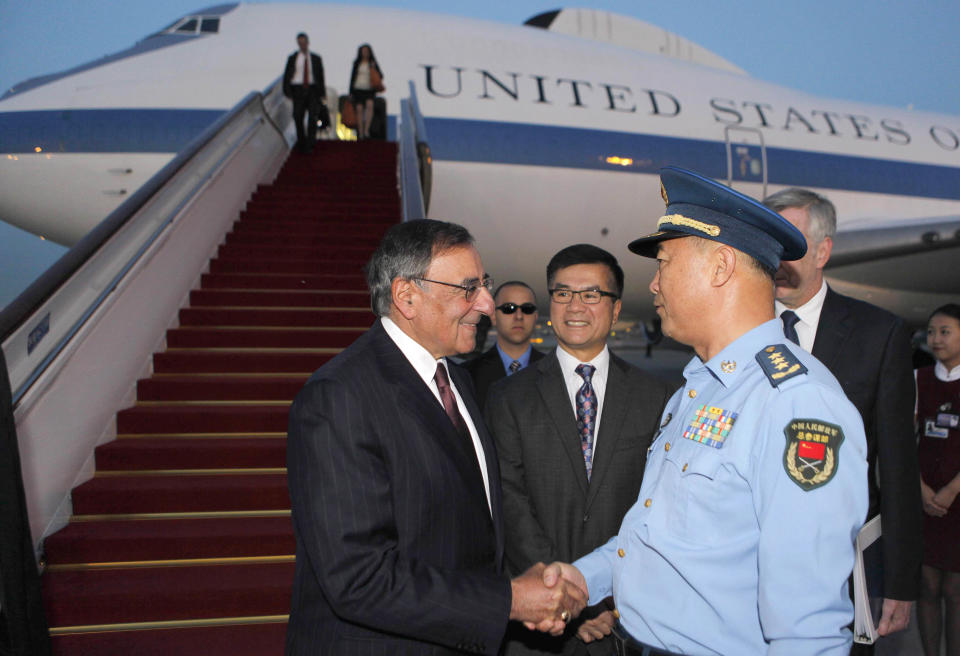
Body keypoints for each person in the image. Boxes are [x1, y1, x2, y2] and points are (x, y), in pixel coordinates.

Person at [556, 167, 869, 655]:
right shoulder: (698, 387)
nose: (654, 284)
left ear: (721, 267)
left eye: (664, 263)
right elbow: (661, 537)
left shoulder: (795, 404)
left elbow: (807, 629)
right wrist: (578, 578)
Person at [285, 219, 586, 655]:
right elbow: (359, 579)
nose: (486, 304)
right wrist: (511, 601)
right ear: (407, 296)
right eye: (468, 288)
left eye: (485, 284)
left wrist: (528, 588)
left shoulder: (456, 379)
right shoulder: (338, 398)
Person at [487, 245, 673, 655]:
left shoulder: (655, 396)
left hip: (623, 618)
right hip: (538, 621)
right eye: (563, 293)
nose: (576, 306)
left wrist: (603, 593)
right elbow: (509, 502)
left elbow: (657, 503)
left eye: (591, 294)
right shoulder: (508, 398)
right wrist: (569, 598)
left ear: (616, 307)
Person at [763, 187, 922, 648]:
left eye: (791, 242)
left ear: (823, 250)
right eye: (771, 241)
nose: (779, 256)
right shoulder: (740, 331)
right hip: (750, 560)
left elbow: (896, 464)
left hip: (840, 566)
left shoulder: (878, 334)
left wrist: (900, 579)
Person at [916, 303, 960, 656]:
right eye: (931, 332)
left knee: (955, 591)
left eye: (945, 331)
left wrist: (951, 490)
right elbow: (903, 438)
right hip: (925, 498)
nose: (936, 338)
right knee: (928, 586)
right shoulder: (919, 380)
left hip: (956, 500)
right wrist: (921, 489)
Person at [465, 281, 545, 408]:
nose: (519, 316)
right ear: (493, 317)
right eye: (509, 308)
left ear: (535, 317)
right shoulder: (467, 375)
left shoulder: (556, 371)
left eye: (527, 309)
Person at [282, 32, 326, 152]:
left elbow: (320, 76)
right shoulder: (293, 58)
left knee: (313, 116)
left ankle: (310, 142)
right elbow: (287, 75)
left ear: (307, 42)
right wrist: (287, 91)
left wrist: (322, 93)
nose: (302, 45)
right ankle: (301, 141)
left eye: (303, 43)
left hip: (312, 90)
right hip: (298, 89)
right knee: (298, 116)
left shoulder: (316, 59)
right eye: (299, 43)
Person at [348, 44, 383, 140]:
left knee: (369, 105)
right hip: (358, 89)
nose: (365, 53)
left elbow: (380, 75)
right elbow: (352, 78)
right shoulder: (357, 63)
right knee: (359, 109)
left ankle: (367, 130)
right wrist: (350, 91)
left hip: (369, 89)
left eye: (366, 51)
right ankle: (361, 131)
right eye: (363, 51)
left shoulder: (373, 63)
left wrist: (373, 68)